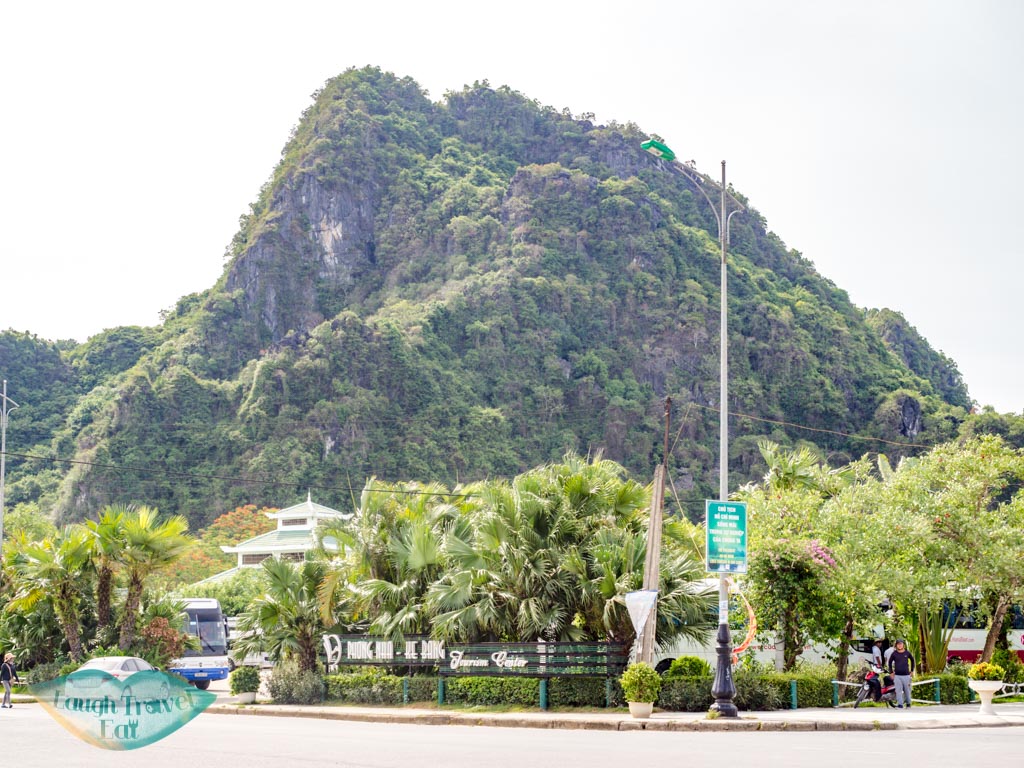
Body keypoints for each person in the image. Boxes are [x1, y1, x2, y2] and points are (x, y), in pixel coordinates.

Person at [887, 638, 915, 708]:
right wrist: (891, 672)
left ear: (903, 645)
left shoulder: (907, 653)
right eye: (898, 644)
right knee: (898, 691)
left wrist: (912, 670)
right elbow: (889, 662)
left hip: (906, 675)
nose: (899, 646)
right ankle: (900, 704)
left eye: (901, 644)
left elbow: (912, 660)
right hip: (897, 676)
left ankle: (908, 704)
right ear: (896, 645)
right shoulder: (894, 654)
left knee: (907, 690)